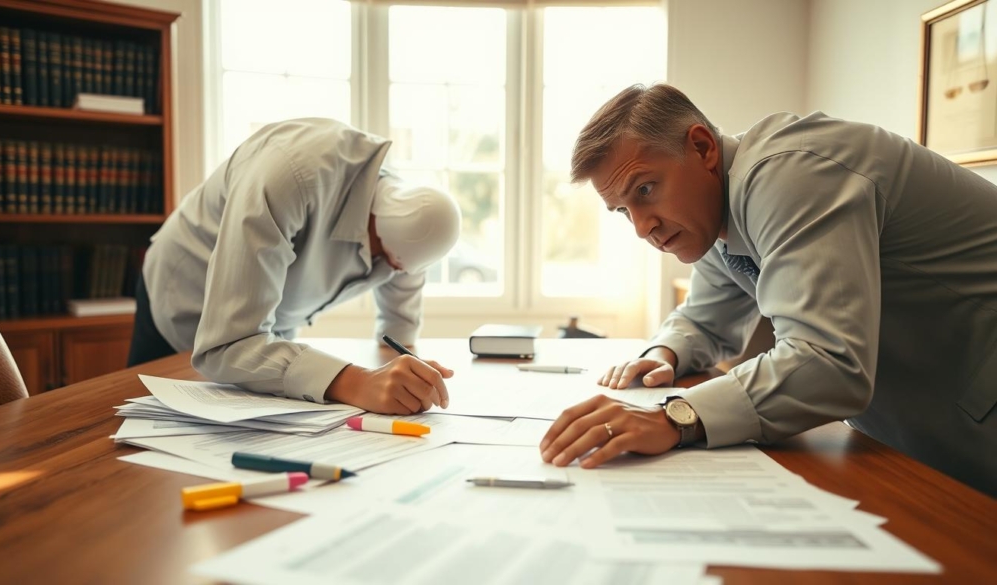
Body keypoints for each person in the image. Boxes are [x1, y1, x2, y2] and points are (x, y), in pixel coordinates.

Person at [539, 83, 997, 497]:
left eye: (646, 189)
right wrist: (665, 356)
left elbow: (828, 361)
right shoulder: (716, 217)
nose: (642, 228)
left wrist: (673, 417)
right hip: (924, 426)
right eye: (623, 210)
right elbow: (703, 318)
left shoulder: (790, 174)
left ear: (701, 148)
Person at [128, 118, 462, 415]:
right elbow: (226, 346)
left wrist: (408, 375)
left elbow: (399, 327)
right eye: (384, 256)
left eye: (397, 267)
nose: (385, 269)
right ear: (374, 217)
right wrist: (360, 383)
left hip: (264, 331)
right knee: (139, 430)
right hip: (182, 300)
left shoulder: (414, 220)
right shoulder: (288, 176)